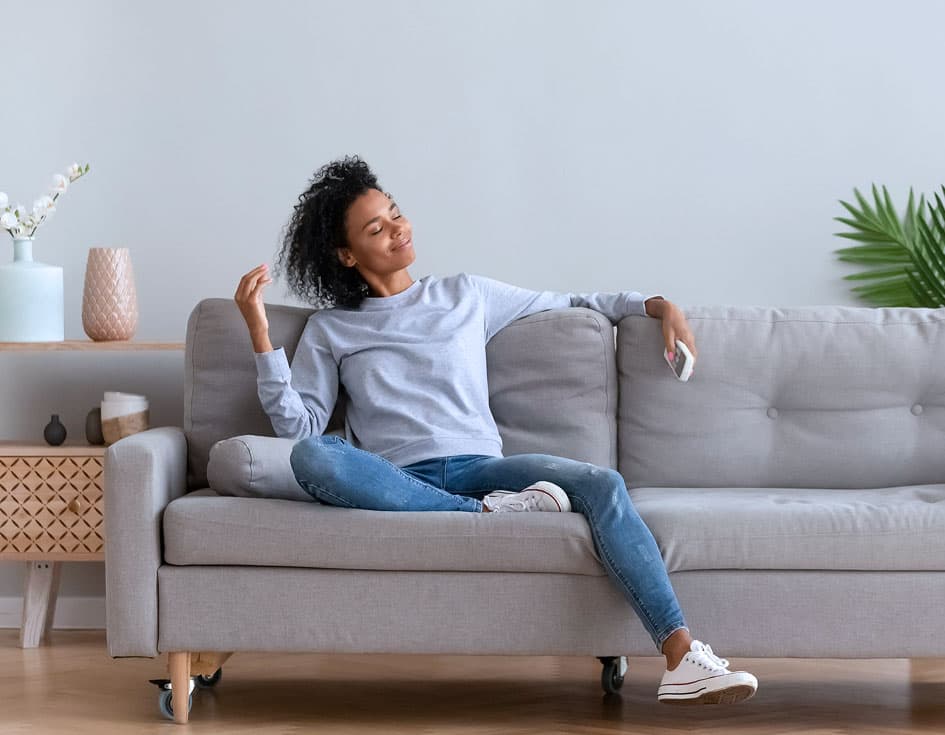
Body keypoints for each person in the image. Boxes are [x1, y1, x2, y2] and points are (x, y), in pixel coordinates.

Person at [234, 154, 758, 705]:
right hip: (396, 481)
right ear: (345, 254)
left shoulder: (466, 295)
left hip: (483, 468)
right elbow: (300, 428)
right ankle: (485, 514)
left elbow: (576, 301)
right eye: (376, 228)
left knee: (602, 483)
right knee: (315, 456)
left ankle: (681, 657)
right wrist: (260, 334)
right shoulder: (332, 328)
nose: (397, 230)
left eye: (395, 214)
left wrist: (659, 305)